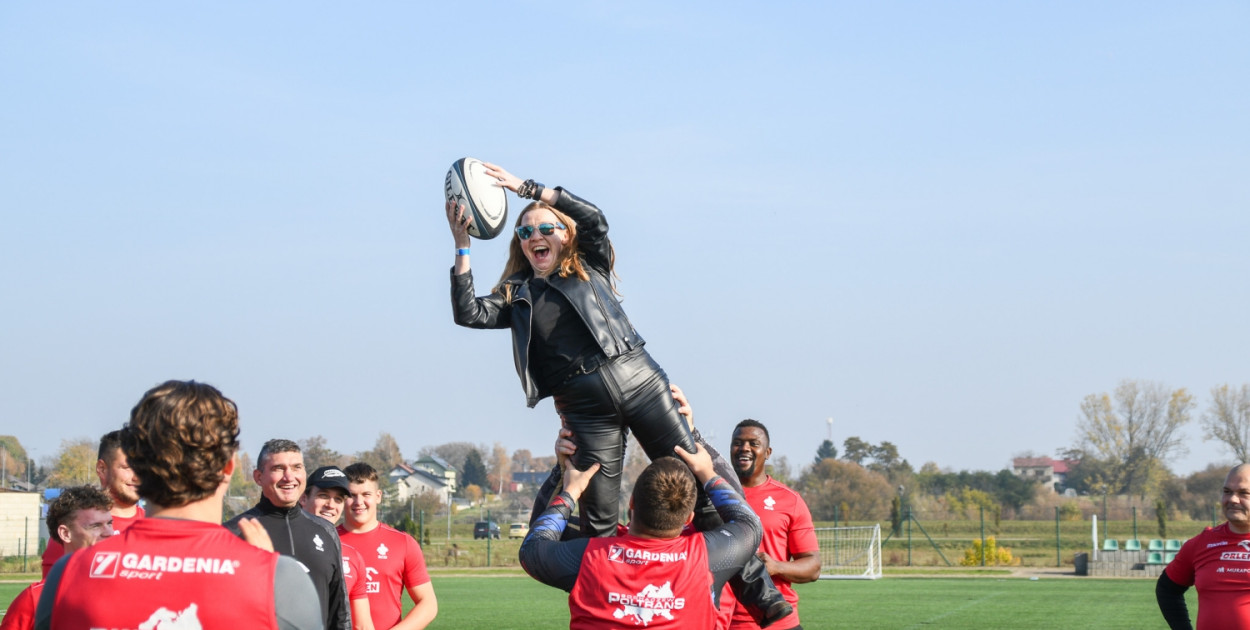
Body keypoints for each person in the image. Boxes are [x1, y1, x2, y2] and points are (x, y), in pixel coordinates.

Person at [447, 164, 788, 624]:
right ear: (519, 244)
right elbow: (468, 312)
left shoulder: (591, 264)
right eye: (525, 231)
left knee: (707, 497)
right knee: (600, 526)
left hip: (641, 382)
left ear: (564, 236)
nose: (534, 235)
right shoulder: (517, 293)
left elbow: (595, 219)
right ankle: (617, 615)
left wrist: (528, 189)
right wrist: (462, 244)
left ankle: (776, 615)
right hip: (584, 410)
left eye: (546, 227)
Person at [35, 379, 322, 630]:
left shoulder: (68, 575)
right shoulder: (280, 581)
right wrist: (263, 576)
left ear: (138, 465)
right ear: (228, 466)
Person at [520, 435, 762, 629]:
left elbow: (534, 545)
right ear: (688, 517)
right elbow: (749, 523)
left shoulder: (590, 558)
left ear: (631, 503)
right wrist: (707, 472)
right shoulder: (705, 557)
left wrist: (569, 488)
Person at [226, 439, 351, 630]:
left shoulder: (326, 531)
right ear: (259, 477)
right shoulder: (233, 532)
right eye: (278, 468)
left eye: (296, 467)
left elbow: (339, 611)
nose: (289, 477)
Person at [718, 420, 821, 630]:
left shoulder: (790, 500)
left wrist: (776, 566)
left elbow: (813, 567)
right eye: (737, 443)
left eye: (753, 443)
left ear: (768, 452)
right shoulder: (712, 496)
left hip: (779, 623)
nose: (744, 448)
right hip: (724, 623)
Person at [337, 462, 437, 630]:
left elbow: (428, 604)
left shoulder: (403, 543)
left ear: (378, 496)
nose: (359, 502)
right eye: (351, 495)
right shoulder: (327, 541)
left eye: (366, 494)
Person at [1, 486, 114, 630]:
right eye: (96, 526)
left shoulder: (132, 587)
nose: (110, 533)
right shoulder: (36, 599)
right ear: (65, 534)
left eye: (109, 523)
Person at [40, 430, 145, 578]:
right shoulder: (74, 528)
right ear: (102, 469)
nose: (137, 477)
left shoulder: (157, 525)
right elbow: (53, 596)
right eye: (127, 468)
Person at [1157, 463, 1250, 629]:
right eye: (1227, 492)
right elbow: (1167, 589)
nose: (1233, 499)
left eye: (1244, 493)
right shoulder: (1202, 543)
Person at [301, 465, 375, 630]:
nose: (331, 505)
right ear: (303, 498)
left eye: (338, 499)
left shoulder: (352, 556)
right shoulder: (281, 544)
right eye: (323, 496)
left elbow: (363, 625)